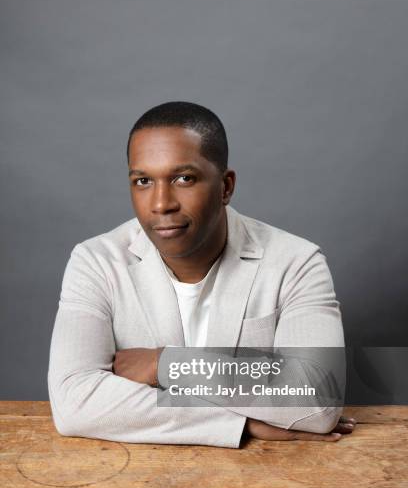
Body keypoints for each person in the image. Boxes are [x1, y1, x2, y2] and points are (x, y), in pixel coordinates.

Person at [47, 101, 356, 447]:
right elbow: (75, 402)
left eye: (184, 178)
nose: (161, 203)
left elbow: (319, 398)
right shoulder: (96, 261)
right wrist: (239, 423)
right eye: (143, 180)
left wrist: (164, 365)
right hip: (135, 484)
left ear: (225, 187)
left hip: (262, 485)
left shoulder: (296, 262)